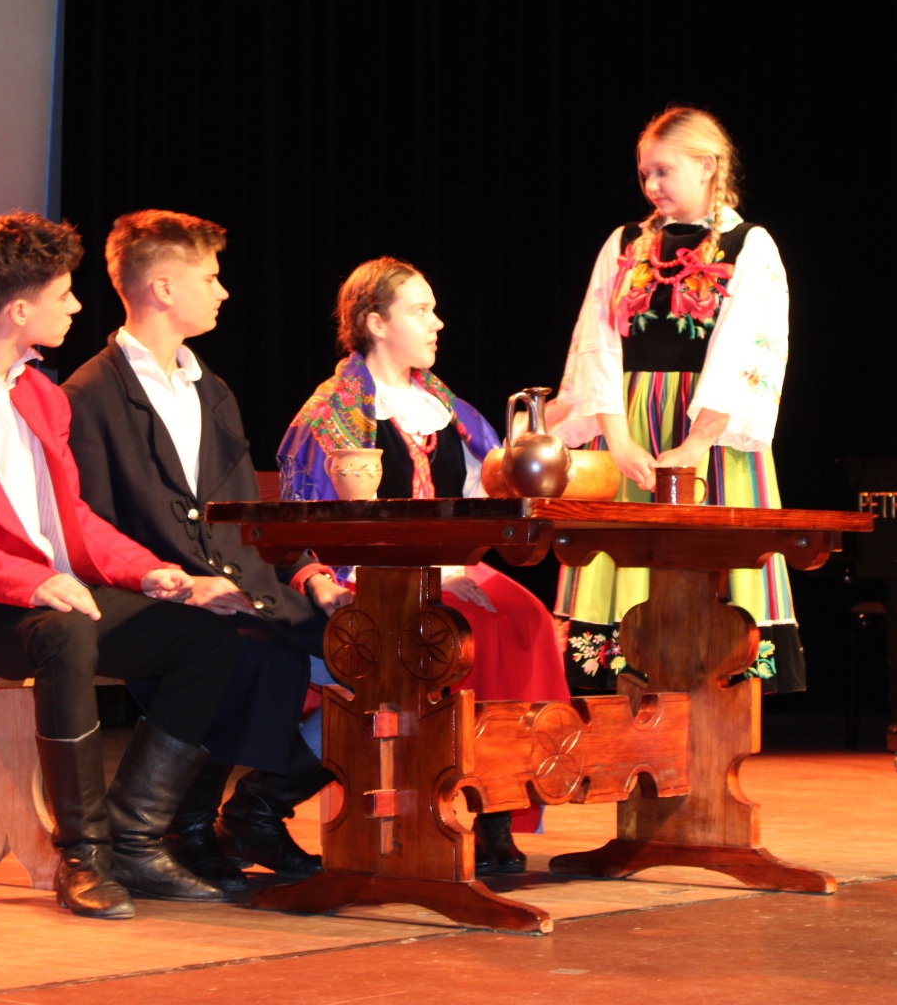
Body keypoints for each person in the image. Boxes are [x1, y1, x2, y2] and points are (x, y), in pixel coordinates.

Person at [0, 211, 240, 920]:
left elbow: (72, 519)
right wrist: (31, 580)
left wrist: (151, 573)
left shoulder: (40, 392)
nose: (75, 306)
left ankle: (135, 836)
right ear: (19, 309)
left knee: (205, 636)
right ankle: (83, 856)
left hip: (41, 599)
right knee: (64, 632)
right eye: (64, 294)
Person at [64, 210, 351, 892]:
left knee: (371, 644)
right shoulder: (91, 394)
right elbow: (91, 525)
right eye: (211, 277)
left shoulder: (210, 390)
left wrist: (307, 571)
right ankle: (180, 828)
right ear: (164, 287)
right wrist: (182, 584)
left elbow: (245, 513)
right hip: (150, 592)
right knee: (242, 648)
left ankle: (252, 809)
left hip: (238, 583)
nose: (223, 291)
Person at [277, 257, 569, 873]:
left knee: (526, 618)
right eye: (420, 311)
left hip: (446, 569)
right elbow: (305, 521)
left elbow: (493, 482)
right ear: (376, 323)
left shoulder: (440, 403)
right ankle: (440, 803)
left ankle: (498, 804)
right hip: (366, 579)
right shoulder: (333, 410)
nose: (437, 323)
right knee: (466, 628)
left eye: (433, 309)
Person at [549, 106, 803, 695]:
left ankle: (715, 706)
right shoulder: (624, 245)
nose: (651, 185)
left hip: (710, 433)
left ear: (707, 166)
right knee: (627, 564)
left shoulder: (749, 245)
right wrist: (617, 441)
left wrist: (695, 446)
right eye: (645, 174)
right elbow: (595, 342)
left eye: (664, 171)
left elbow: (748, 350)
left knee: (708, 573)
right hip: (629, 425)